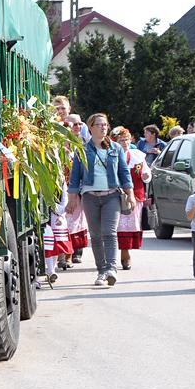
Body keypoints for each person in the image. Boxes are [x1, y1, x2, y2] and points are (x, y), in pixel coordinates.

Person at [67, 113, 133, 286]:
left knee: (109, 233)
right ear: (90, 127)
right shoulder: (82, 149)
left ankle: (112, 269)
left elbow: (124, 173)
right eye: (99, 125)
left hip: (111, 195)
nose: (103, 127)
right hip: (90, 197)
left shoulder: (115, 148)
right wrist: (72, 198)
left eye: (105, 125)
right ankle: (101, 271)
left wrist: (130, 194)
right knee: (96, 236)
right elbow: (75, 177)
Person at [112, 126, 151, 270]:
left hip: (135, 195)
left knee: (129, 225)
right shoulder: (111, 155)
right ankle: (113, 256)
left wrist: (146, 176)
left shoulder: (138, 156)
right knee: (115, 226)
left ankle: (125, 253)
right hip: (115, 195)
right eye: (121, 140)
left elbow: (146, 173)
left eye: (127, 140)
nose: (125, 143)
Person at [63, 113, 89, 266]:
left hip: (79, 188)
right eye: (74, 124)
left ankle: (75, 252)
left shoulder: (85, 143)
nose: (78, 127)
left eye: (80, 124)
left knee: (77, 220)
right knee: (67, 220)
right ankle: (65, 254)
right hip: (64, 186)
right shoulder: (60, 143)